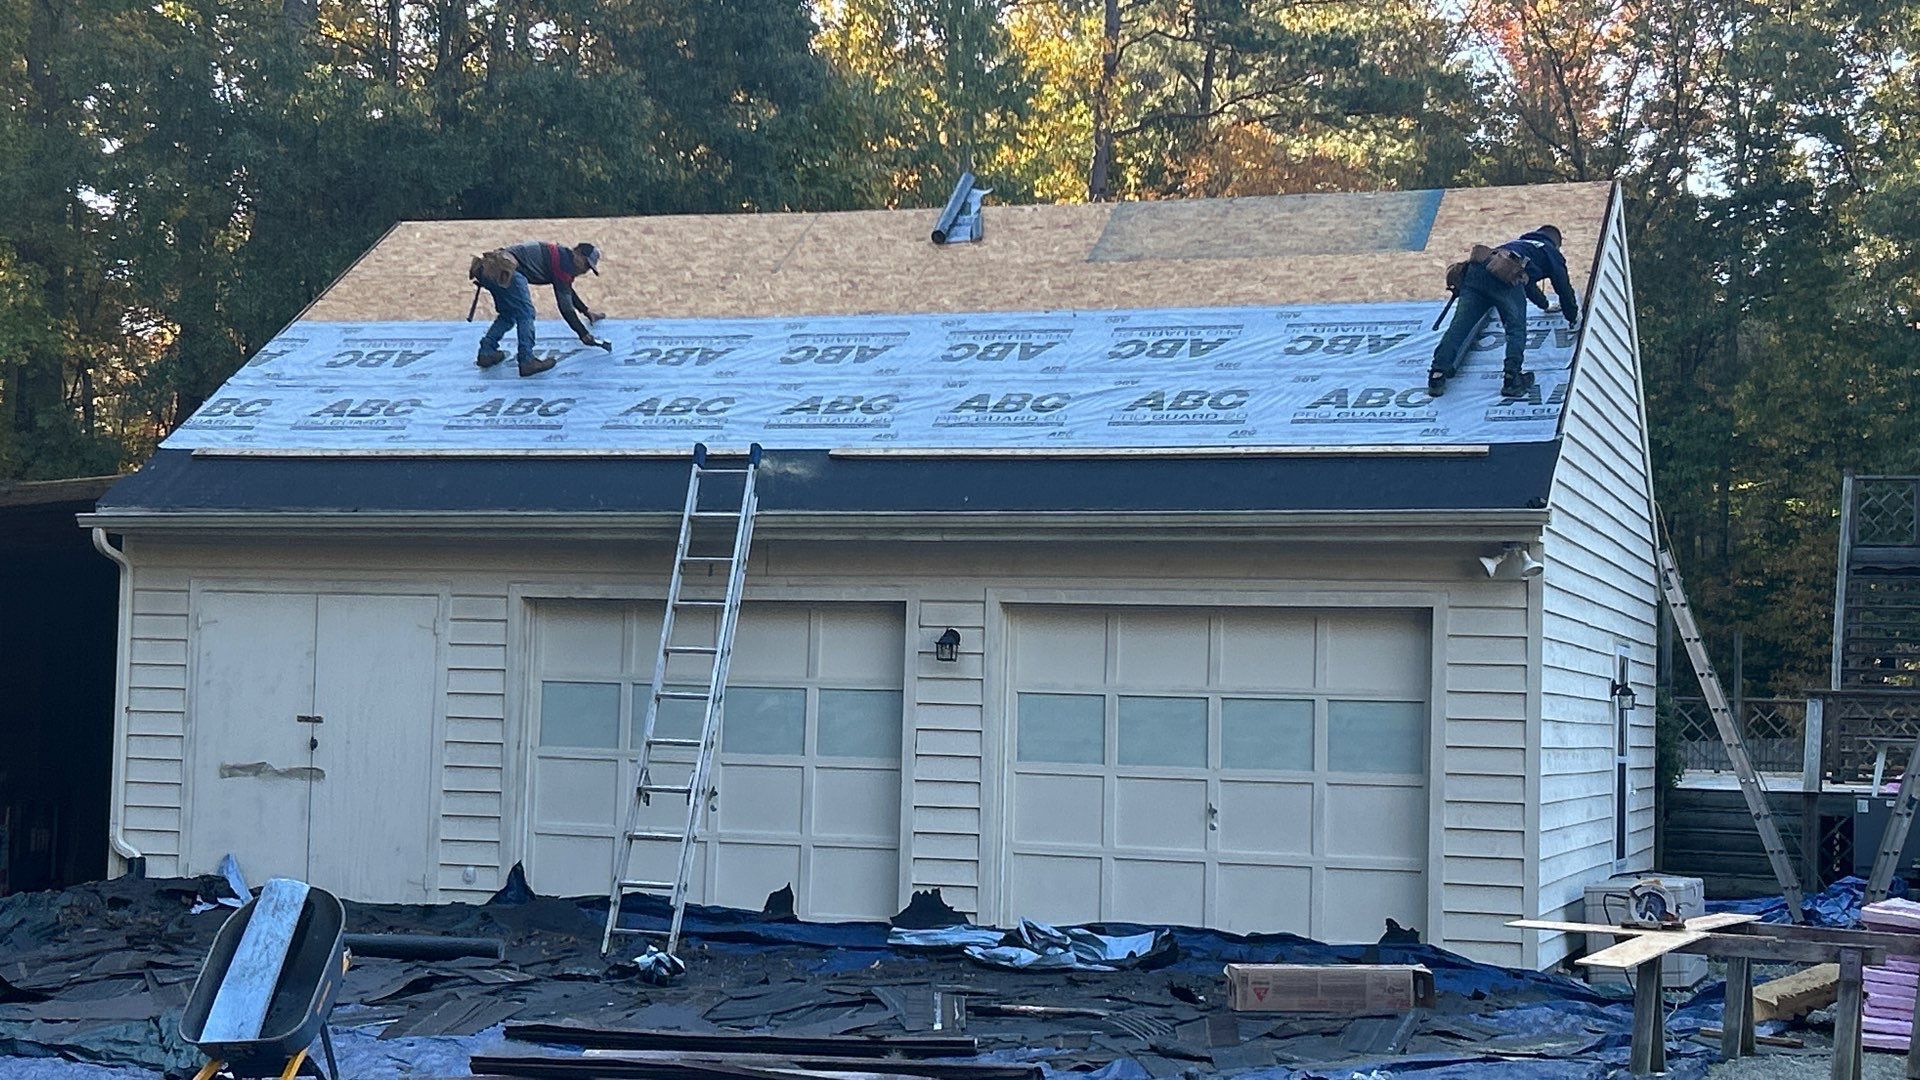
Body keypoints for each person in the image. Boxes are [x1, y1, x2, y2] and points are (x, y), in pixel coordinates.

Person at [1428, 225, 1580, 399]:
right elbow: (1563, 287)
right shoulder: (1549, 251)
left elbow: (1528, 284)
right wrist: (1573, 316)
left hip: (1475, 273)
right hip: (1504, 276)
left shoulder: (1518, 244)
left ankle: (1437, 375)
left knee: (1460, 326)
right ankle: (1512, 379)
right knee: (1516, 328)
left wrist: (1545, 305)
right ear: (1556, 243)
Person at [476, 241, 607, 377]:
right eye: (586, 264)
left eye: (588, 268)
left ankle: (487, 353)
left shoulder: (562, 257)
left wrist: (585, 311)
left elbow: (566, 290)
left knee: (508, 314)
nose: (584, 271)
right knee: (526, 313)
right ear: (577, 252)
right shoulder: (564, 265)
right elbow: (566, 308)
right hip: (508, 270)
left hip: (490, 268)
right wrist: (583, 334)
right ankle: (527, 361)